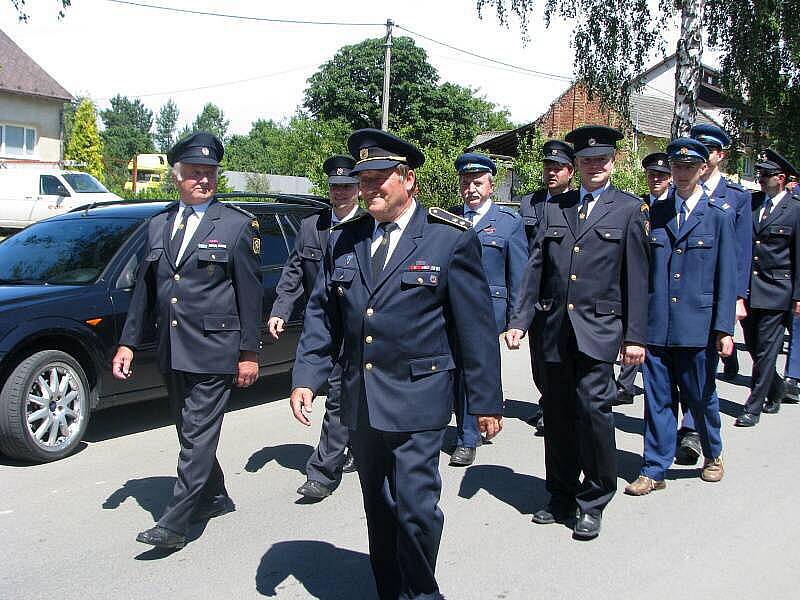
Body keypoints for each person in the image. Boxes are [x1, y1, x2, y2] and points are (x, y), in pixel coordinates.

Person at [289, 129, 503, 600]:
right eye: (363, 179)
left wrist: (486, 402)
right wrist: (306, 377)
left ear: (409, 181)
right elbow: (324, 315)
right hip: (362, 403)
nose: (369, 189)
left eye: (379, 178)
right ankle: (391, 591)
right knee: (378, 508)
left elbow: (475, 328)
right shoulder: (344, 240)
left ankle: (422, 594)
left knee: (416, 509)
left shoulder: (449, 240)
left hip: (419, 399)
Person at [112, 132, 262, 549]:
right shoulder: (158, 224)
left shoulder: (234, 225)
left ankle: (175, 523)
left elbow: (250, 296)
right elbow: (145, 290)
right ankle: (215, 495)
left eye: (209, 173)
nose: (203, 180)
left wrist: (249, 353)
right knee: (187, 429)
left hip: (216, 350)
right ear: (175, 178)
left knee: (197, 433)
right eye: (194, 173)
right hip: (171, 348)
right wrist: (127, 343)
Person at [506, 125, 649, 540]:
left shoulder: (629, 209)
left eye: (601, 159)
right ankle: (561, 494)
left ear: (613, 161)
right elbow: (535, 268)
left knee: (593, 413)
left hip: (600, 330)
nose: (594, 166)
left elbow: (638, 280)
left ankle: (595, 498)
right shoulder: (556, 207)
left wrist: (634, 337)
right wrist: (519, 320)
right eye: (586, 160)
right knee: (557, 412)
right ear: (577, 165)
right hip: (554, 330)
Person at [624, 138, 735, 496]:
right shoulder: (652, 213)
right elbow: (640, 275)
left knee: (700, 397)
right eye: (677, 166)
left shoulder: (718, 215)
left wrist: (723, 328)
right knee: (657, 401)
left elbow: (726, 275)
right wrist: (634, 329)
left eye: (689, 166)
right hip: (657, 325)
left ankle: (712, 453)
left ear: (703, 169)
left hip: (697, 326)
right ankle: (654, 468)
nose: (682, 172)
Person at [268, 154, 365, 500]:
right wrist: (281, 308)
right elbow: (293, 272)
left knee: (339, 393)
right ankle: (345, 448)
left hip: (356, 325)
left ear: (358, 190)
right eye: (335, 187)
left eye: (347, 187)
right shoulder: (312, 226)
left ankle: (323, 472)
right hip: (321, 321)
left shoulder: (368, 226)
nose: (341, 193)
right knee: (339, 393)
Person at [446, 152, 527, 466]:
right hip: (449, 309)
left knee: (472, 372)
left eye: (477, 183)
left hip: (487, 313)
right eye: (466, 183)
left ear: (491, 186)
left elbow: (518, 276)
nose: (471, 189)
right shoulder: (447, 218)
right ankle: (460, 424)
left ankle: (467, 437)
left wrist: (515, 321)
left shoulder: (508, 223)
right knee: (450, 371)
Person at [735, 149, 800, 427]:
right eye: (760, 174)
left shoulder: (795, 210)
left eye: (766, 175)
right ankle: (775, 388)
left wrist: (798, 296)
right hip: (750, 288)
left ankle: (754, 405)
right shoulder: (752, 203)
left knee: (766, 349)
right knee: (752, 345)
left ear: (782, 178)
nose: (760, 179)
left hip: (777, 290)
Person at [516, 140, 575, 434]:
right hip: (533, 291)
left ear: (570, 172)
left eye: (558, 169)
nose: (551, 173)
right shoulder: (530, 202)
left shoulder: (577, 203)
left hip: (560, 289)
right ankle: (546, 400)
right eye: (548, 168)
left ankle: (556, 406)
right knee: (537, 354)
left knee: (559, 353)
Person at [615, 151, 672, 406]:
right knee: (632, 331)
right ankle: (625, 385)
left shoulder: (672, 207)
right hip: (637, 280)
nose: (656, 179)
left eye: (661, 175)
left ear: (669, 178)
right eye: (652, 175)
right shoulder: (639, 205)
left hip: (661, 282)